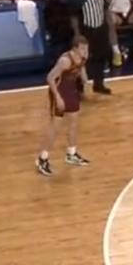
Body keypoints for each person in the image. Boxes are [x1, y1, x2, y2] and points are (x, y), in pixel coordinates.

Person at [37, 36, 91, 176]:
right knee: (55, 126)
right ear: (75, 49)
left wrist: (84, 79)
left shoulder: (83, 57)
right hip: (59, 91)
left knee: (74, 122)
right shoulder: (65, 61)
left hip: (70, 90)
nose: (85, 51)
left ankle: (71, 153)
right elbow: (50, 78)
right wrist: (58, 97)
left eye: (86, 48)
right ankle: (42, 158)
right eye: (82, 49)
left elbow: (81, 68)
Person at [69, 0, 112, 95]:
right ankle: (79, 88)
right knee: (81, 60)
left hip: (101, 31)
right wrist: (77, 34)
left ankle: (99, 84)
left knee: (101, 57)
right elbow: (74, 18)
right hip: (86, 32)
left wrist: (108, 29)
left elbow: (105, 12)